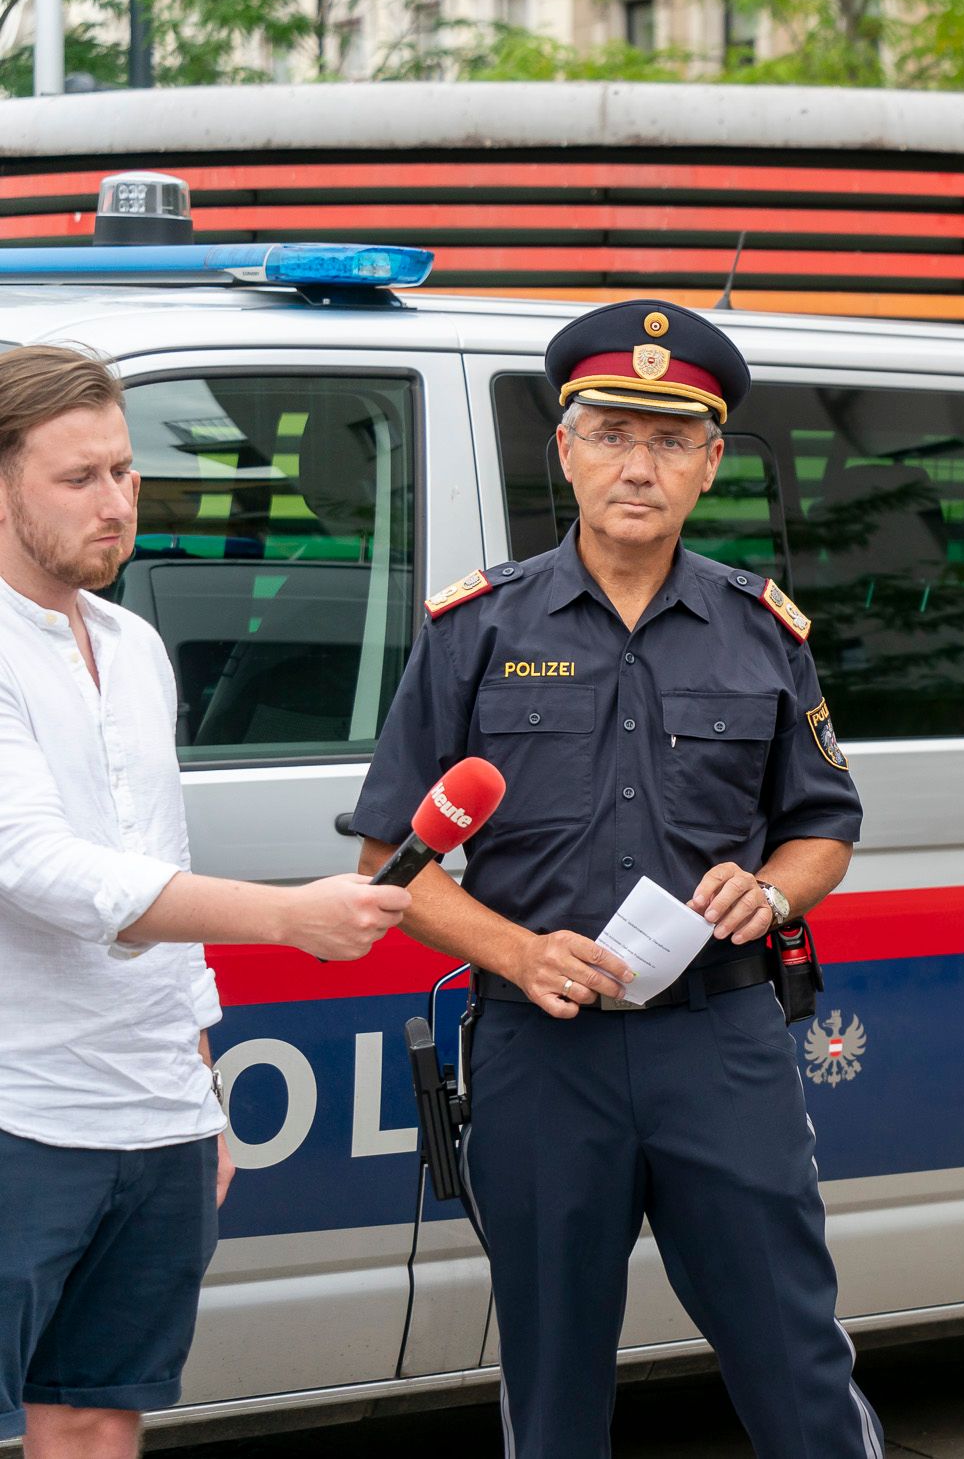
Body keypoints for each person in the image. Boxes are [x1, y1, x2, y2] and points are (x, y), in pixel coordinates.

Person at [351, 300, 879, 1459]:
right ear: (564, 450)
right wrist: (516, 952)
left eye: (671, 441)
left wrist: (777, 892)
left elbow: (824, 827)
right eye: (610, 434)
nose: (638, 466)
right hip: (544, 1054)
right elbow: (394, 869)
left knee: (795, 1359)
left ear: (710, 464)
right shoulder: (473, 630)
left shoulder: (763, 632)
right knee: (551, 1381)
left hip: (720, 1043)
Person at [0, 344, 410, 1458]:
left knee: (93, 1414)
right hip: (18, 1111)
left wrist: (195, 1085)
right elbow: (41, 868)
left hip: (150, 1110)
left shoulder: (134, 646)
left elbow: (148, 845)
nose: (117, 502)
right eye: (78, 478)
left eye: (126, 473)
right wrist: (285, 916)